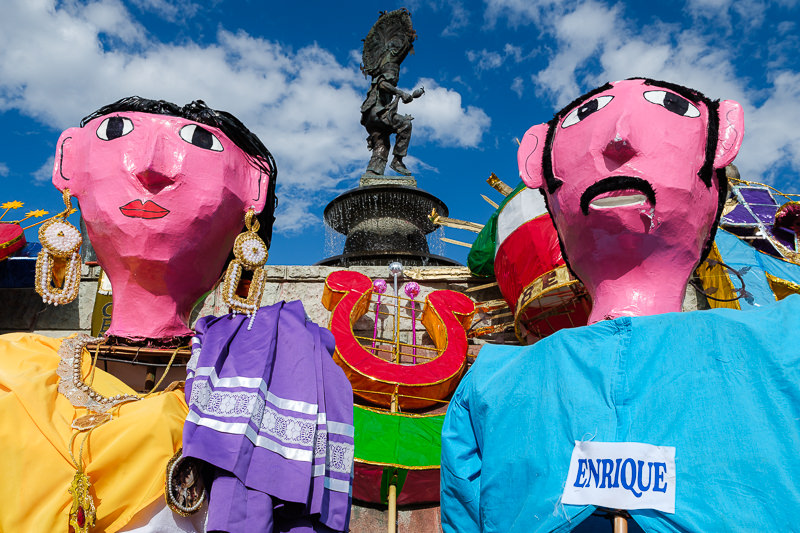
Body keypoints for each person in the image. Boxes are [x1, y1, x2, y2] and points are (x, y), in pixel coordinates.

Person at [441, 79, 800, 531]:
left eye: (671, 107)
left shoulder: (491, 384)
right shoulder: (489, 386)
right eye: (582, 119)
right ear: (539, 163)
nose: (618, 137)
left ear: (723, 138)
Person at [0, 97, 353, 533]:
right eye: (117, 132)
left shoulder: (280, 365)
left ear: (254, 188)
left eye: (201, 143)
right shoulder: (13, 366)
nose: (151, 167)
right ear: (68, 161)